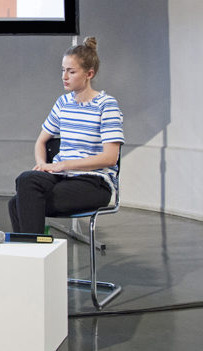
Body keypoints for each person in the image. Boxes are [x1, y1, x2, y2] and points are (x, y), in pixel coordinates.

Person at [8, 37, 123, 234]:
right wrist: (43, 166)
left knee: (18, 204)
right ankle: (36, 251)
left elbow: (110, 157)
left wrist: (63, 165)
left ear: (89, 73)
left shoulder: (106, 105)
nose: (64, 76)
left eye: (71, 71)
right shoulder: (63, 103)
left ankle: (35, 254)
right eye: (63, 70)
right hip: (62, 178)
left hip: (93, 183)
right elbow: (41, 141)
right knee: (25, 181)